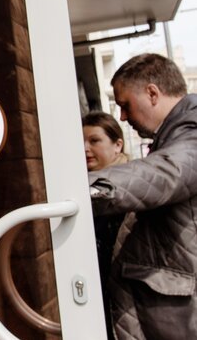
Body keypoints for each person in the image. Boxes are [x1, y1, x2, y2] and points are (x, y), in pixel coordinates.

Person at [88, 53, 197, 340]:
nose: (122, 117)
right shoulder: (173, 137)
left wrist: (80, 188)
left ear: (152, 93)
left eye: (125, 105)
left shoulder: (192, 133)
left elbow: (165, 173)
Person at [82, 111, 129, 340]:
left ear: (117, 145)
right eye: (81, 141)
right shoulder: (79, 187)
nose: (85, 148)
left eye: (94, 140)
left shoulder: (131, 188)